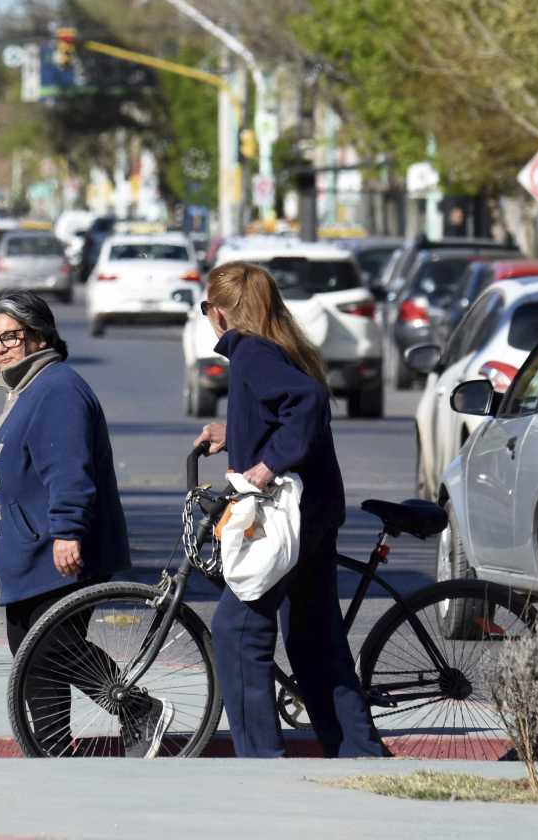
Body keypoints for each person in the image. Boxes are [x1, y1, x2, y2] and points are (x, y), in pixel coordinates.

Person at [193, 261, 385, 759]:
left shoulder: (252, 351)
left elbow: (305, 402)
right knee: (313, 639)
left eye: (205, 308)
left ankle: (261, 763)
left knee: (237, 631)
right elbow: (281, 411)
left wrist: (267, 465)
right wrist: (231, 433)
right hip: (314, 510)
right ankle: (359, 756)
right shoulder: (279, 347)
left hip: (287, 517)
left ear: (219, 312)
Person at [0, 291, 157, 751]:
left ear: (40, 337)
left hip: (56, 552)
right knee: (35, 656)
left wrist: (68, 530)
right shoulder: (28, 390)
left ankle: (137, 708)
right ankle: (52, 746)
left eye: (11, 336)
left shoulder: (57, 389)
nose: (0, 348)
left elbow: (68, 469)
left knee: (49, 648)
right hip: (27, 555)